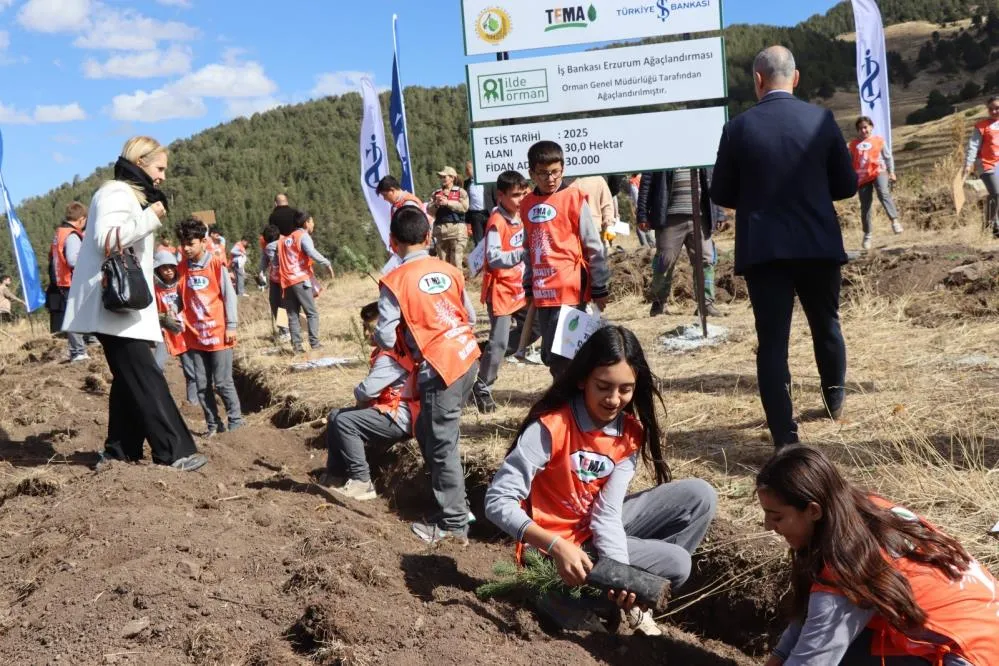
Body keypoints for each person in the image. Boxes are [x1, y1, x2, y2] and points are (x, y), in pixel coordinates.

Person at [485, 326, 717, 636]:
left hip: (591, 529)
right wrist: (556, 546)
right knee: (677, 563)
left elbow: (606, 514)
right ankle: (559, 595)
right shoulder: (551, 428)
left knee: (700, 495)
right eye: (604, 387)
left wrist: (622, 575)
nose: (614, 399)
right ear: (583, 379)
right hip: (551, 550)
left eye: (625, 389)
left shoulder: (629, 433)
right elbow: (497, 501)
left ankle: (634, 597)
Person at [709, 46, 857, 448]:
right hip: (817, 243)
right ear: (796, 77)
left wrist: (755, 196)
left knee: (773, 342)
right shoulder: (822, 119)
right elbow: (846, 185)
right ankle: (834, 399)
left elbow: (721, 192)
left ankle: (784, 435)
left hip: (765, 250)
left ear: (757, 80)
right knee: (826, 324)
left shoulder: (737, 128)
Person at [758, 445, 999, 666]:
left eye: (777, 517)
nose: (768, 525)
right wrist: (778, 657)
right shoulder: (865, 510)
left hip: (969, 655)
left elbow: (812, 659)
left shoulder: (848, 566)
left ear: (813, 511)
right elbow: (810, 620)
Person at [61, 136, 207, 472]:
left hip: (122, 308)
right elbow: (106, 238)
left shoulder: (127, 195)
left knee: (130, 379)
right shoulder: (115, 192)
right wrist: (150, 216)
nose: (163, 177)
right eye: (160, 168)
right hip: (113, 307)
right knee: (145, 376)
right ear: (140, 162)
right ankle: (174, 451)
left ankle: (120, 451)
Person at [375, 206, 481, 544]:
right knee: (425, 429)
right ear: (428, 236)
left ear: (393, 241)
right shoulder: (449, 269)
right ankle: (455, 504)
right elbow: (471, 317)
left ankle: (454, 523)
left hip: (439, 365)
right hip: (467, 355)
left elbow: (385, 336)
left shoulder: (394, 280)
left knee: (440, 443)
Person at [521, 140, 610, 379]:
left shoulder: (574, 198)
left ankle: (570, 395)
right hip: (542, 291)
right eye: (543, 173)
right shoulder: (527, 204)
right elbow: (528, 248)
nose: (550, 178)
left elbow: (594, 245)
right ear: (532, 173)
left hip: (570, 288)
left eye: (555, 172)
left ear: (563, 169)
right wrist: (528, 284)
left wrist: (599, 286)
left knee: (566, 354)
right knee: (550, 354)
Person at [322, 302, 419, 500]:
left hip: (399, 418)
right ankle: (336, 475)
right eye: (364, 328)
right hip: (388, 412)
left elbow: (366, 392)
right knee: (334, 416)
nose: (366, 334)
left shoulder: (392, 354)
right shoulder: (388, 350)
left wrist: (358, 395)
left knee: (345, 422)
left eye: (371, 328)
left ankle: (362, 482)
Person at [471, 170, 536, 414]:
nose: (521, 199)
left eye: (524, 193)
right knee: (499, 341)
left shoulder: (522, 214)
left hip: (521, 287)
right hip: (501, 290)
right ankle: (482, 387)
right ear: (501, 196)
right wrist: (523, 252)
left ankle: (486, 354)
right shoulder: (496, 222)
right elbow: (493, 257)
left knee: (536, 327)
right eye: (516, 195)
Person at [177, 218, 243, 435]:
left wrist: (231, 325)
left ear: (203, 242)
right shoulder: (182, 268)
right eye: (183, 244)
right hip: (196, 335)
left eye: (190, 243)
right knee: (202, 384)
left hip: (219, 333)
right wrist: (172, 312)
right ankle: (213, 425)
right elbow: (179, 296)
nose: (186, 248)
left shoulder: (215, 265)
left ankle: (236, 423)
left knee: (222, 382)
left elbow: (229, 296)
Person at [637, 169, 721, 318]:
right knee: (664, 260)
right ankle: (659, 303)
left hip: (700, 217)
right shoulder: (657, 156)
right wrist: (642, 214)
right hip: (669, 217)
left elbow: (714, 181)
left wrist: (719, 213)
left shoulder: (703, 155)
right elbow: (646, 182)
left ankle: (706, 304)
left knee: (706, 260)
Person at [278, 209, 334, 353]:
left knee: (292, 315)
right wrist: (326, 263)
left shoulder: (284, 240)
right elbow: (311, 252)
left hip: (287, 281)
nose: (313, 224)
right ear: (306, 223)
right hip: (300, 279)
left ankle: (297, 347)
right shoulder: (303, 236)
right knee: (311, 313)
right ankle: (314, 344)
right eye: (312, 221)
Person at [45, 201, 92, 361]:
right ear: (81, 219)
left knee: (74, 313)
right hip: (71, 280)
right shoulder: (72, 235)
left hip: (61, 280)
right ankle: (78, 351)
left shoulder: (59, 233)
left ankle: (84, 346)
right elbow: (72, 259)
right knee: (75, 315)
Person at [152, 250, 198, 406]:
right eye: (164, 268)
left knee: (191, 370)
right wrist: (163, 318)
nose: (168, 271)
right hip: (165, 332)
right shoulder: (154, 289)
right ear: (157, 270)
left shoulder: (183, 284)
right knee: (157, 366)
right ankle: (159, 400)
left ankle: (193, 404)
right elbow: (150, 312)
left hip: (184, 331)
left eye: (171, 267)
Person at [849, 116, 902, 251]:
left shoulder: (879, 140)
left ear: (871, 127)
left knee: (883, 193)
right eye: (860, 128)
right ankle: (867, 234)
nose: (863, 130)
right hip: (862, 177)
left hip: (879, 171)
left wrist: (891, 172)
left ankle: (894, 221)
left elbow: (888, 157)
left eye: (865, 127)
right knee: (865, 205)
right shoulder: (853, 145)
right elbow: (850, 162)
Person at [964, 96, 999, 237]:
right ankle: (991, 225)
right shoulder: (982, 126)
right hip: (987, 164)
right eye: (991, 109)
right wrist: (968, 163)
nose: (994, 111)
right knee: (996, 192)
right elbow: (973, 146)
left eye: (997, 108)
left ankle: (994, 226)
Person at [427, 166, 469, 269]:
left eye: (444, 177)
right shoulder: (436, 194)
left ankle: (459, 280)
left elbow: (464, 207)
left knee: (456, 264)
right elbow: (429, 211)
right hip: (441, 233)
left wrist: (448, 203)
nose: (442, 179)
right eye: (441, 177)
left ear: (452, 178)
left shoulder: (461, 192)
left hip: (457, 231)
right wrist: (436, 204)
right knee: (444, 266)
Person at [259, 224, 289, 342]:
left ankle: (287, 331)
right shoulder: (267, 245)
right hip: (274, 279)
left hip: (286, 279)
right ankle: (283, 330)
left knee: (283, 305)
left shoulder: (286, 242)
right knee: (275, 303)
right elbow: (265, 258)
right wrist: (261, 271)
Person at [570, 175, 614, 247]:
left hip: (593, 231)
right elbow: (607, 205)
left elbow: (607, 205)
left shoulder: (598, 180)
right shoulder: (599, 179)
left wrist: (609, 225)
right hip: (576, 233)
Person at [465, 161, 489, 245]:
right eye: (466, 169)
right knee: (478, 242)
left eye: (468, 169)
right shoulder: (466, 183)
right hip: (475, 215)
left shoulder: (487, 180)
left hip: (488, 213)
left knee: (490, 238)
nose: (466, 171)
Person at [629, 174, 654, 248]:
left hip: (641, 208)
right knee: (650, 228)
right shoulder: (649, 175)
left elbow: (635, 196)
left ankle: (646, 248)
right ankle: (653, 247)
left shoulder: (633, 181)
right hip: (650, 206)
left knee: (642, 229)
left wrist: (638, 209)